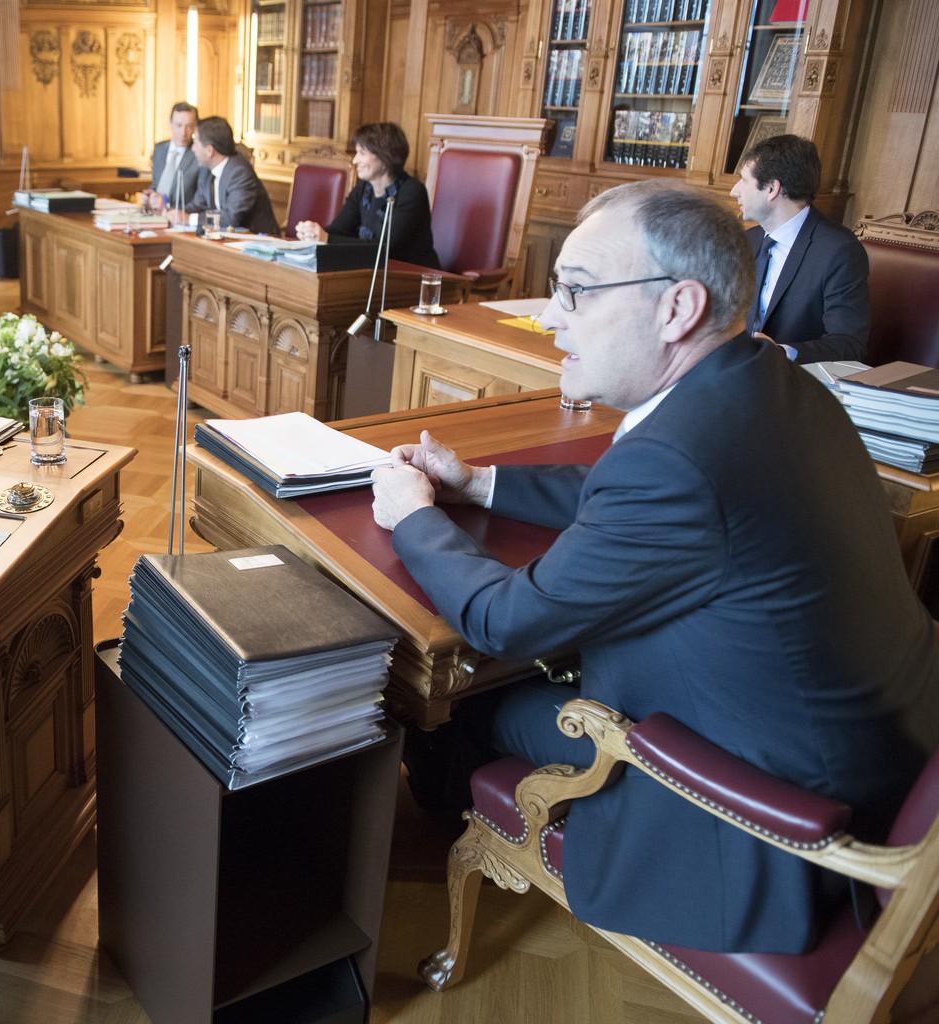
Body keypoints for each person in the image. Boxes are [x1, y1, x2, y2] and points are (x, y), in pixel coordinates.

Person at [370, 179, 939, 955]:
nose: (549, 316)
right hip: (876, 749)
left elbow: (503, 620)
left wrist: (414, 516)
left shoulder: (676, 459)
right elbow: (635, 495)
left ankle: (460, 834)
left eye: (575, 292)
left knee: (468, 699)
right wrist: (481, 483)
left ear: (677, 308)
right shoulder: (768, 383)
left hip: (770, 815)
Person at [729, 133, 869, 363]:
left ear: (772, 188)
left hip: (796, 383)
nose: (734, 191)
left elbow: (849, 343)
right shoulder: (747, 240)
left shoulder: (839, 251)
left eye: (744, 180)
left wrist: (783, 353)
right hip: (740, 373)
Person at [294, 121, 439, 268]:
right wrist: (313, 233)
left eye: (362, 153)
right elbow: (339, 230)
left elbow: (386, 247)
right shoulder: (363, 189)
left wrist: (327, 239)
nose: (355, 160)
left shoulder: (412, 192)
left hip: (412, 276)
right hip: (376, 271)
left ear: (385, 156)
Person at [173, 116, 280, 236]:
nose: (192, 149)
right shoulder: (206, 169)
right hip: (226, 240)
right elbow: (198, 204)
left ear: (209, 150)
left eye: (196, 143)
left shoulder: (239, 172)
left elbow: (231, 218)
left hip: (258, 243)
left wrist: (189, 219)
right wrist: (174, 212)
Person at [145, 102, 202, 213]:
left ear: (195, 127)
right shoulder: (159, 148)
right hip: (154, 214)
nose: (183, 132)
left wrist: (167, 205)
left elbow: (200, 200)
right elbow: (156, 184)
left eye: (189, 126)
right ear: (170, 123)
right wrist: (149, 195)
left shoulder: (198, 155)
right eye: (179, 125)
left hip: (179, 215)